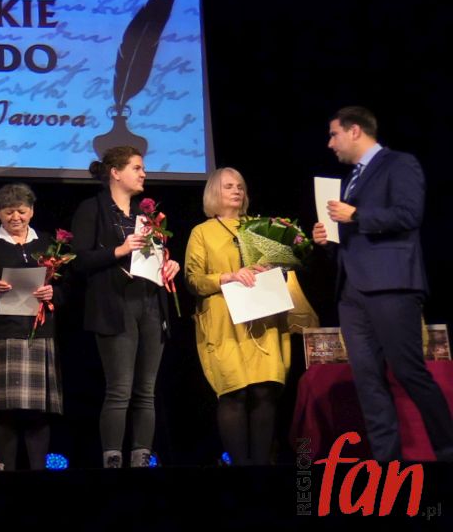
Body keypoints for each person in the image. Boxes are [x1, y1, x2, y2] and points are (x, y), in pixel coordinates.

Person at [312, 106, 453, 461]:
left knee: (408, 371)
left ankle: (447, 449)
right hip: (351, 291)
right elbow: (354, 235)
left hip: (392, 285)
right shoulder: (351, 178)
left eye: (334, 134)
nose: (330, 144)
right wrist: (328, 239)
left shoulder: (400, 164)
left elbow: (409, 215)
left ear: (355, 131)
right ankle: (387, 465)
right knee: (368, 381)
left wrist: (356, 214)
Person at [71, 145, 179, 468]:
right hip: (115, 306)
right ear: (115, 173)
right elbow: (79, 260)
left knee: (146, 391)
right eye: (136, 168)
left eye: (143, 168)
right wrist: (118, 250)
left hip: (150, 303)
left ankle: (141, 459)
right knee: (120, 389)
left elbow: (153, 259)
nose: (143, 173)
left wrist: (168, 264)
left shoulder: (146, 217)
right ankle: (113, 462)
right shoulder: (93, 209)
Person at [184, 167, 289, 465]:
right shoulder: (202, 232)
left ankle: (262, 471)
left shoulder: (260, 228)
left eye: (240, 186)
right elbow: (193, 280)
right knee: (235, 392)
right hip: (224, 322)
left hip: (262, 320)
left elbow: (283, 269)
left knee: (264, 391)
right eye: (229, 186)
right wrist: (228, 276)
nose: (236, 191)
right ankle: (241, 472)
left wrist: (273, 268)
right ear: (214, 193)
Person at [0, 183, 63, 470]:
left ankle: (38, 474)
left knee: (37, 411)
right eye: (8, 212)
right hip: (0, 335)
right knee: (4, 411)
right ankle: (7, 473)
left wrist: (53, 293)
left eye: (21, 211)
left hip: (37, 334)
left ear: (31, 211)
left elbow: (68, 288)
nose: (16, 217)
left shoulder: (47, 243)